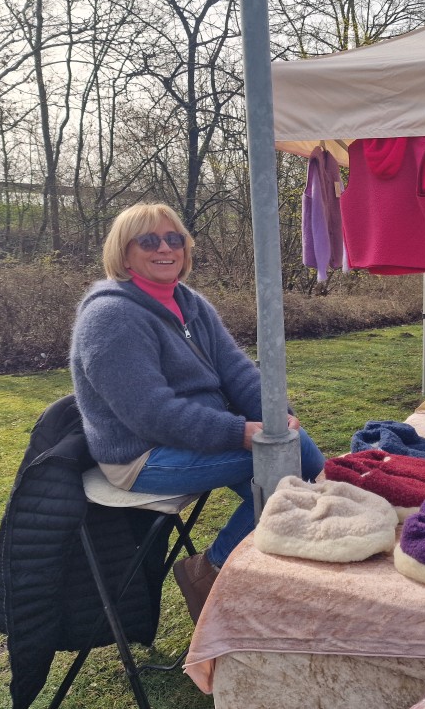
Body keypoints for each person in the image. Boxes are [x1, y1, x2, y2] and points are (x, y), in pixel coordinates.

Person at [70, 203, 325, 622]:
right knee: (291, 463)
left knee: (294, 480)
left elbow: (237, 371)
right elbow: (152, 414)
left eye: (175, 239)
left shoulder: (188, 302)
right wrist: (240, 433)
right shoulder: (111, 317)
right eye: (149, 241)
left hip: (193, 436)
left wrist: (276, 414)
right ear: (124, 251)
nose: (165, 248)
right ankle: (208, 570)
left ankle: (263, 577)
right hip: (144, 455)